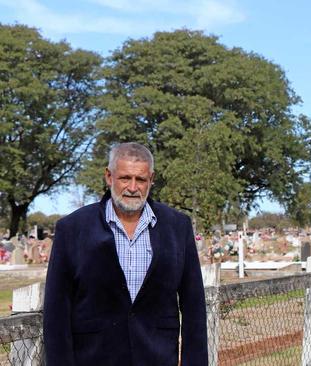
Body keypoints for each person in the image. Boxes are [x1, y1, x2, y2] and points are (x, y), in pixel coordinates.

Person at [43, 142, 208, 365]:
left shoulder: (177, 227)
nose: (132, 187)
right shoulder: (72, 229)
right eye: (124, 178)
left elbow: (193, 305)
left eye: (140, 179)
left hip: (157, 357)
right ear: (109, 177)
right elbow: (56, 311)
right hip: (94, 358)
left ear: (151, 179)